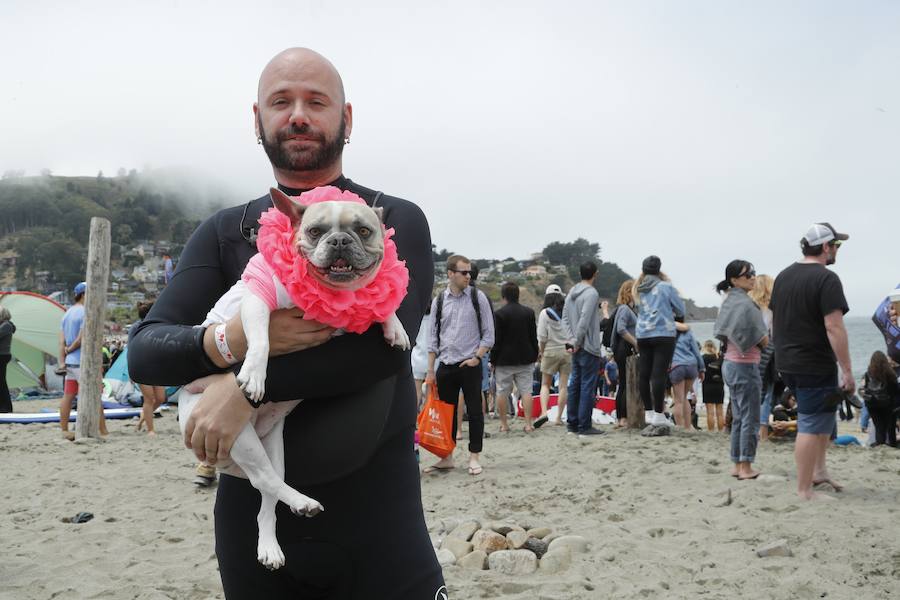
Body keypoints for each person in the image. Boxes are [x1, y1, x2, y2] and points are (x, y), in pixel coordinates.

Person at [127, 48, 443, 597]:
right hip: (252, 527)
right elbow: (146, 352)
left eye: (316, 102)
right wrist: (236, 341)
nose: (298, 115)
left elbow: (383, 350)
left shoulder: (391, 219)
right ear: (258, 120)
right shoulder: (228, 229)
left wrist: (245, 393)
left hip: (380, 522)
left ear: (346, 119)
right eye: (281, 102)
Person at [771, 222, 853, 501]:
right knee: (810, 422)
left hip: (788, 361)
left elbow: (774, 322)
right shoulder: (826, 279)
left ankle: (819, 472)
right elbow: (834, 327)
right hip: (813, 362)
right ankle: (805, 490)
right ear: (825, 247)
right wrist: (848, 370)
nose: (837, 251)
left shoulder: (783, 276)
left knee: (823, 418)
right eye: (836, 246)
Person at [425, 254, 494, 475]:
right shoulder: (439, 300)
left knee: (474, 412)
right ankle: (447, 457)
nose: (468, 276)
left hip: (470, 363)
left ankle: (474, 457)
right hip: (445, 364)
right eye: (464, 272)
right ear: (450, 274)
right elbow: (432, 338)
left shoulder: (477, 297)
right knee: (446, 415)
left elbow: (489, 334)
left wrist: (477, 357)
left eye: (470, 272)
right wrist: (430, 371)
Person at [714, 260, 769, 480]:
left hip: (730, 363)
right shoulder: (745, 304)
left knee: (739, 416)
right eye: (748, 275)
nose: (753, 278)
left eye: (754, 273)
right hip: (744, 365)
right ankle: (746, 466)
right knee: (750, 417)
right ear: (734, 279)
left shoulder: (728, 302)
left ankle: (737, 464)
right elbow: (762, 339)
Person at [633, 256, 685, 436]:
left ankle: (648, 412)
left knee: (644, 374)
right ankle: (658, 414)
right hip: (663, 333)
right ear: (659, 269)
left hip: (642, 334)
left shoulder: (637, 288)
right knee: (659, 375)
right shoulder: (666, 287)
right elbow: (681, 310)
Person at [59, 282, 108, 440]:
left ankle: (64, 429)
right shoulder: (86, 312)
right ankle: (103, 430)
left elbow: (61, 340)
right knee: (95, 396)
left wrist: (64, 355)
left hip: (70, 362)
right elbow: (82, 338)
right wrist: (71, 348)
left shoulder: (67, 313)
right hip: (82, 361)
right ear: (83, 295)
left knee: (68, 395)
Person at [562, 261, 605, 437]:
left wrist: (571, 340)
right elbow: (585, 320)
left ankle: (572, 424)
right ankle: (584, 426)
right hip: (588, 346)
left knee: (575, 385)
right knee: (587, 386)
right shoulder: (592, 293)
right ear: (595, 273)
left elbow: (564, 318)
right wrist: (577, 341)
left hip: (575, 345)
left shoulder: (571, 292)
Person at [492, 282, 539, 433]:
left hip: (504, 360)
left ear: (503, 296)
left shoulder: (499, 314)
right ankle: (528, 424)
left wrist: (493, 360)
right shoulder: (529, 312)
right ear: (518, 295)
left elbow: (496, 340)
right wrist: (535, 353)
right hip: (525, 358)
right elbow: (533, 337)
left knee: (502, 392)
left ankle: (504, 424)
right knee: (526, 391)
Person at [536, 284, 573, 426]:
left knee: (545, 384)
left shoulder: (544, 313)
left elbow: (542, 337)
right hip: (566, 351)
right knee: (563, 386)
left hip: (550, 351)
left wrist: (541, 352)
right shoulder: (567, 312)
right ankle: (558, 418)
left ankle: (544, 412)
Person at [134, 301, 168, 436]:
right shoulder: (137, 328)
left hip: (155, 366)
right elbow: (132, 349)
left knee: (160, 398)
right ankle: (150, 430)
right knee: (149, 399)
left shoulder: (158, 327)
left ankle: (142, 420)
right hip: (141, 365)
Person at [749, 274, 776, 441]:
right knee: (767, 392)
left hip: (750, 351)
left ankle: (749, 428)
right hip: (769, 350)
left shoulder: (750, 306)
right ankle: (763, 432)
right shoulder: (772, 308)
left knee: (751, 391)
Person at [610, 279, 638, 428]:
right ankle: (623, 418)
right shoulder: (625, 309)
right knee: (626, 383)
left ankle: (621, 418)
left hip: (622, 348)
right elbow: (621, 329)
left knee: (623, 383)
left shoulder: (625, 309)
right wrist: (635, 342)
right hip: (625, 348)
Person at [669, 319, 705, 431]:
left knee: (678, 400)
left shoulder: (667, 331)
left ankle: (679, 426)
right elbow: (696, 351)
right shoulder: (688, 332)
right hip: (691, 365)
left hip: (677, 365)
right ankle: (688, 426)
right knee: (684, 397)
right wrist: (702, 368)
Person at [860, 350, 899, 447]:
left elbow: (864, 388)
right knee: (890, 426)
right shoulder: (890, 374)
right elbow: (895, 390)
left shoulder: (868, 374)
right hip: (886, 404)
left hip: (872, 404)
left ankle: (880, 443)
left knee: (878, 425)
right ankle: (891, 444)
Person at [700, 339, 726, 432]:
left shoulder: (703, 358)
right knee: (720, 412)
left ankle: (711, 431)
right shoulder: (719, 357)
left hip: (707, 385)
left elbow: (700, 371)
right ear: (714, 347)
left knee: (710, 412)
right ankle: (720, 430)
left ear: (705, 347)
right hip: (719, 385)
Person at [410, 301, 431, 411]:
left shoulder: (418, 317)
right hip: (432, 359)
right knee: (429, 393)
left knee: (416, 392)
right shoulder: (434, 318)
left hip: (417, 356)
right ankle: (425, 421)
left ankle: (413, 418)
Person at [0, 306, 15, 413]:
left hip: (2, 355)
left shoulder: (6, 325)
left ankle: (6, 407)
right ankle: (4, 406)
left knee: (1, 382)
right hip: (3, 355)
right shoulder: (5, 325)